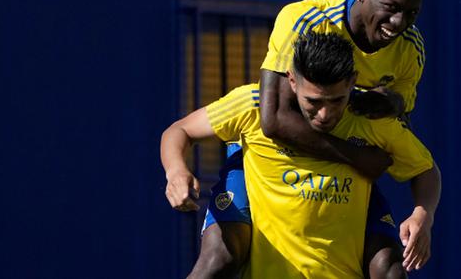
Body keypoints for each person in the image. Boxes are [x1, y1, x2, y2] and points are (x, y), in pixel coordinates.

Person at [162, 32, 441, 278]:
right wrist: (176, 171)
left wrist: (422, 216)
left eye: (337, 101)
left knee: (391, 270)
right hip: (263, 258)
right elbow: (180, 131)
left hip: (337, 266)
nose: (325, 114)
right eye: (314, 102)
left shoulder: (371, 121)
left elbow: (425, 170)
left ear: (352, 83)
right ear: (292, 81)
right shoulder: (252, 106)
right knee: (216, 260)